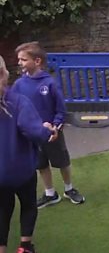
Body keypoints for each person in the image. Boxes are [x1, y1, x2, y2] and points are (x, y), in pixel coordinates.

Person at [11, 41, 85, 209]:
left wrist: (56, 128)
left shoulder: (50, 83)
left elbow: (61, 110)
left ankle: (69, 188)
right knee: (41, 164)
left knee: (62, 162)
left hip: (53, 133)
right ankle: (50, 193)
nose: (19, 63)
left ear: (37, 61)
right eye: (19, 59)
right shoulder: (18, 85)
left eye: (23, 59)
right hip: (32, 135)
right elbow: (14, 107)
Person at [0, 55, 57, 253]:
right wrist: (48, 130)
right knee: (28, 205)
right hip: (21, 170)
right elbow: (35, 132)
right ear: (4, 74)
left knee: (2, 211)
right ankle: (25, 245)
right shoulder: (17, 102)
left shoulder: (18, 100)